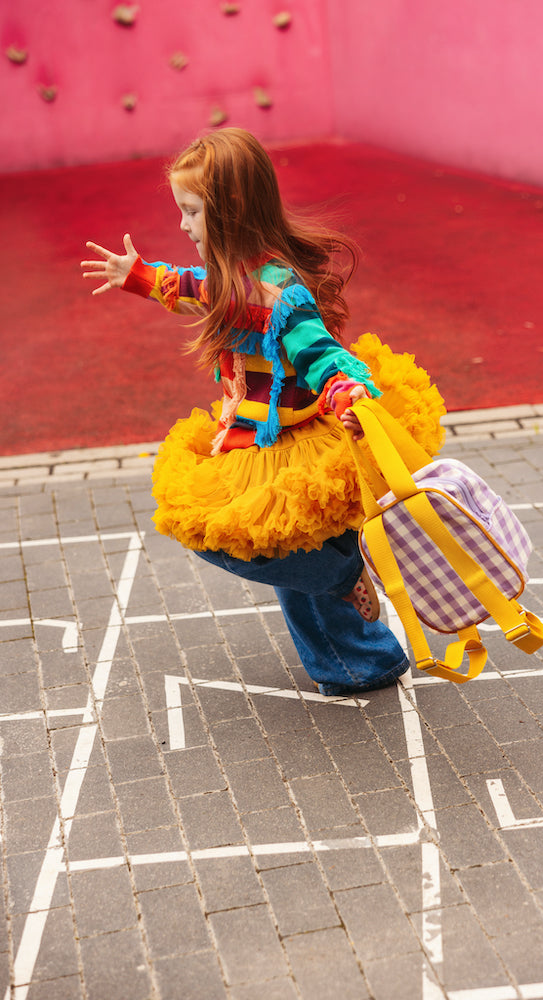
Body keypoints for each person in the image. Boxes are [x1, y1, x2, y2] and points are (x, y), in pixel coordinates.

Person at [81, 127, 445, 696]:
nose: (182, 225)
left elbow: (321, 353)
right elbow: (193, 285)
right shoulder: (229, 275)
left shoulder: (280, 290)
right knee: (285, 550)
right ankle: (358, 663)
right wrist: (138, 276)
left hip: (291, 441)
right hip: (253, 436)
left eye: (192, 212)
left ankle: (346, 571)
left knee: (231, 538)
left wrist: (348, 394)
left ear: (230, 212)